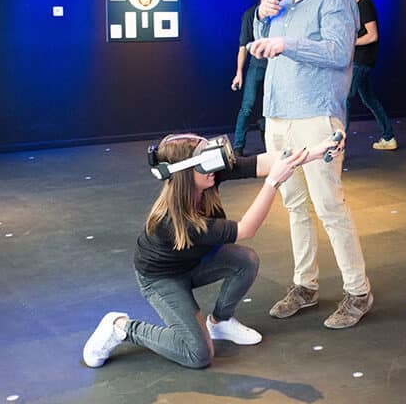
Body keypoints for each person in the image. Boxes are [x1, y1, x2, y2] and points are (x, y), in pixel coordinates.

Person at [82, 132, 343, 368]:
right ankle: (121, 327)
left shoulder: (207, 176)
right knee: (197, 355)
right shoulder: (172, 221)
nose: (214, 166)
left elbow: (265, 162)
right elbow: (246, 230)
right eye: (205, 161)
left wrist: (317, 151)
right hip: (162, 279)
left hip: (193, 263)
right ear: (185, 172)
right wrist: (273, 182)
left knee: (245, 260)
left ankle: (220, 322)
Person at [249, 0, 373, 329]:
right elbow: (264, 36)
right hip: (278, 115)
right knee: (295, 207)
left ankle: (358, 292)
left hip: (317, 116)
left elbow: (338, 53)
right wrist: (262, 18)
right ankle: (305, 285)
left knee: (330, 207)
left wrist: (287, 44)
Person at [340, 0, 398, 150]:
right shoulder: (358, 4)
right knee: (369, 99)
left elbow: (373, 35)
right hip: (359, 59)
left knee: (345, 98)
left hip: (362, 60)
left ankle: (339, 148)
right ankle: (388, 137)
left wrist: (351, 43)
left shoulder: (365, 4)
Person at [231, 0, 277, 156]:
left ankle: (270, 146)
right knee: (247, 106)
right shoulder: (251, 14)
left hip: (276, 67)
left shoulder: (281, 12)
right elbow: (243, 46)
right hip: (257, 66)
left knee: (271, 107)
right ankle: (238, 147)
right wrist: (239, 72)